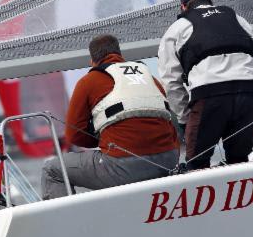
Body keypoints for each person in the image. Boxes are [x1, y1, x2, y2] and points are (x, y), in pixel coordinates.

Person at [42, 34, 179, 199]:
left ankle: (66, 223)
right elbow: (168, 125)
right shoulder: (150, 78)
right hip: (169, 161)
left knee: (52, 169)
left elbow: (74, 135)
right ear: (119, 55)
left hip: (123, 167)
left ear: (93, 60)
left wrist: (105, 141)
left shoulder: (89, 80)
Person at [158, 0, 253, 170]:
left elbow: (171, 81)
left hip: (209, 94)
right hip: (249, 90)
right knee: (239, 159)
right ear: (210, 3)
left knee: (197, 163)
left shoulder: (177, 28)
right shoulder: (237, 19)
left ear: (183, 7)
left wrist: (185, 119)